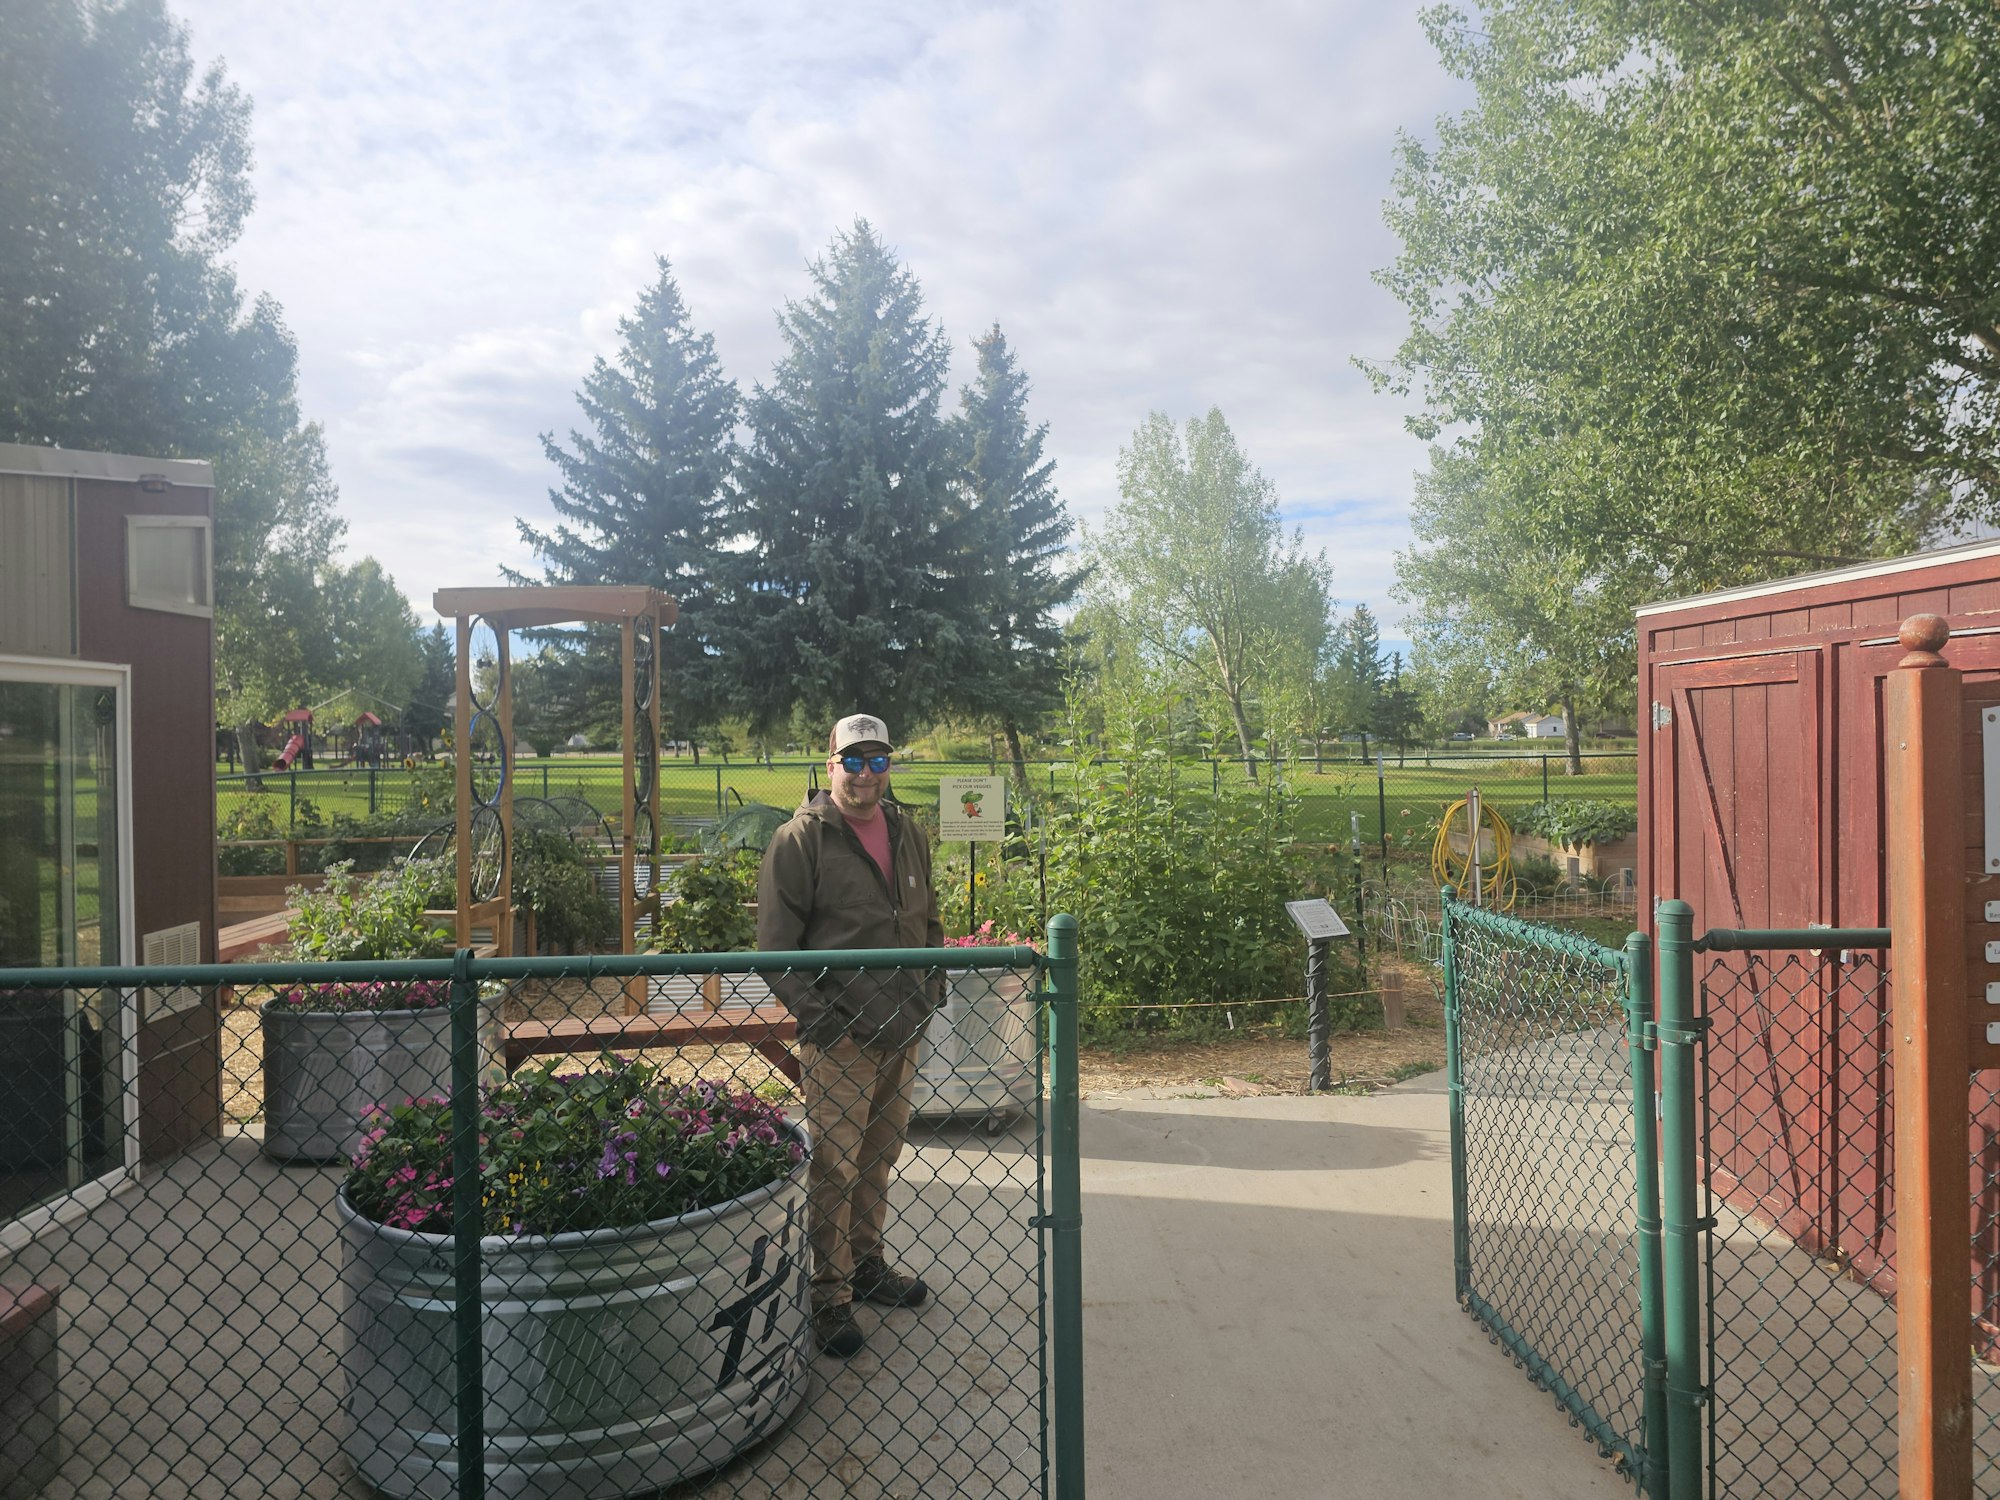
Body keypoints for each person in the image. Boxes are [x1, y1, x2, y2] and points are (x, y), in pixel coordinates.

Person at [757, 712, 942, 1358]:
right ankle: (829, 1293)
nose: (866, 775)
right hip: (840, 1038)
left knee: (879, 1155)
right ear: (829, 764)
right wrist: (823, 1022)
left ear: (889, 766)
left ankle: (867, 1265)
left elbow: (930, 918)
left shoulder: (908, 832)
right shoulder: (800, 840)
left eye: (878, 761)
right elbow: (775, 950)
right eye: (853, 762)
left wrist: (930, 990)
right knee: (834, 1166)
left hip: (901, 1028)